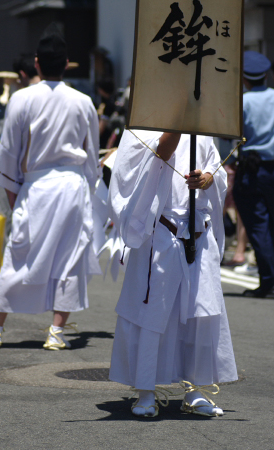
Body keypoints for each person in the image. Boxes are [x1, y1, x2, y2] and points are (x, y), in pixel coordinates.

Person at [0, 24, 101, 350]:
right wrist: (88, 191)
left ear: (36, 63)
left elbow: (8, 152)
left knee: (19, 253)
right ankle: (57, 332)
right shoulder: (84, 101)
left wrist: (15, 196)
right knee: (70, 255)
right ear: (67, 64)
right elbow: (92, 157)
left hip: (36, 186)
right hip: (72, 184)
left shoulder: (22, 98)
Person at [108, 129, 237, 418]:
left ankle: (195, 389)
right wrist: (177, 124)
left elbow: (216, 170)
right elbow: (152, 159)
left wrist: (207, 180)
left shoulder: (202, 126)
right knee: (152, 315)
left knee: (200, 312)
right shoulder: (142, 126)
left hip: (199, 231)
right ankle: (145, 390)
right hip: (161, 231)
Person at [233, 51, 274, 298]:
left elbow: (231, 136)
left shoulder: (243, 102)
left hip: (252, 168)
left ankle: (268, 280)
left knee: (258, 225)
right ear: (266, 75)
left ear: (245, 80)